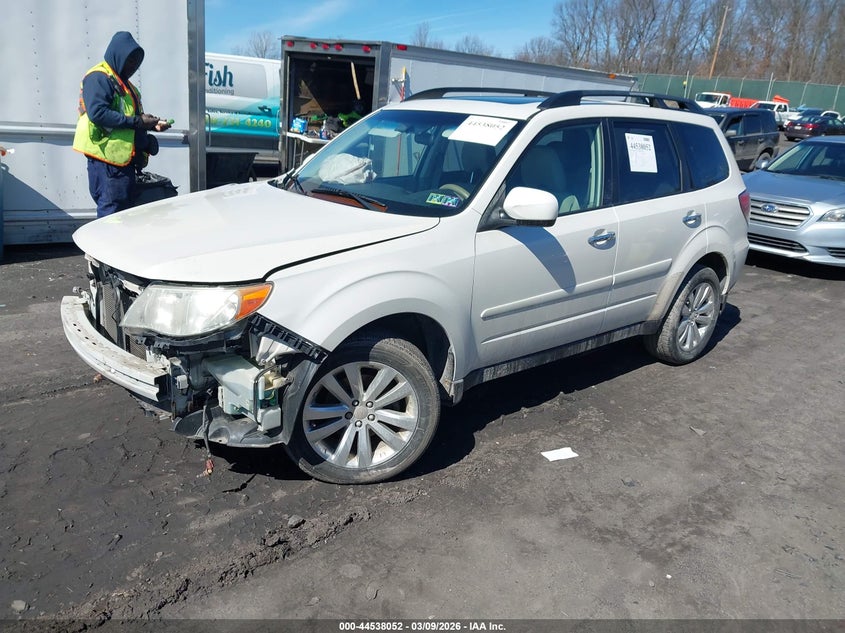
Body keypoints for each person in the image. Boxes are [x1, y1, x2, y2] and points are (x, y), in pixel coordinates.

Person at [72, 31, 170, 217]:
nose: (133, 66)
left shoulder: (127, 86)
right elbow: (98, 113)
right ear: (117, 54)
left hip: (122, 162)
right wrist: (138, 122)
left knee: (122, 215)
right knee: (112, 215)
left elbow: (132, 119)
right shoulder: (99, 77)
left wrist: (152, 125)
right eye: (129, 60)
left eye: (136, 62)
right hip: (107, 163)